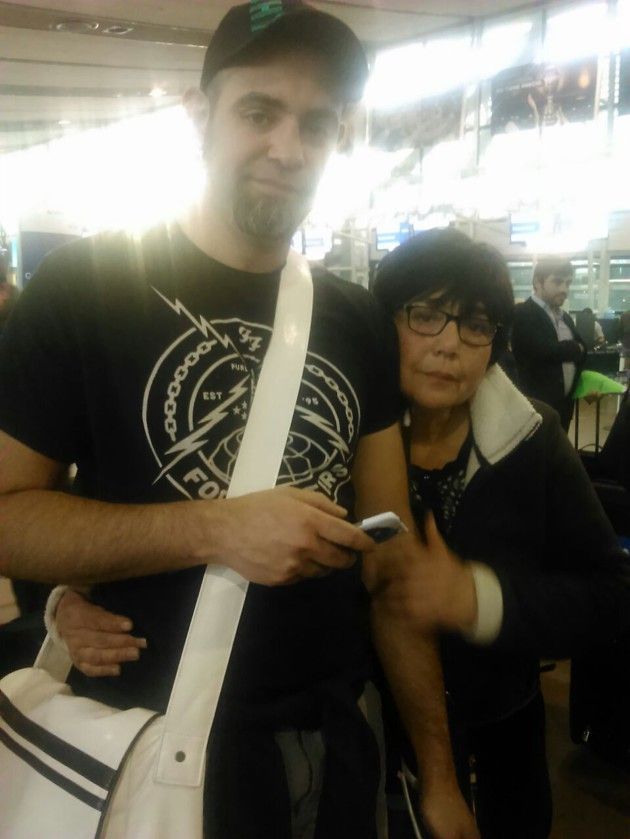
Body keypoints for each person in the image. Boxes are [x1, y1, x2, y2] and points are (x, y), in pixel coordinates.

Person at [0, 5, 477, 838]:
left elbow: (388, 567)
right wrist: (218, 529)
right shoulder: (85, 287)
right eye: (259, 112)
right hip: (137, 750)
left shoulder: (355, 318)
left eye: (316, 124)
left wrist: (437, 775)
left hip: (327, 750)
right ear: (200, 116)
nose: (288, 149)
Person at [370, 228, 630, 839]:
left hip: (503, 732)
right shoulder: (350, 439)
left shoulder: (532, 437)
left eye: (476, 324)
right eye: (425, 316)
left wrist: (477, 600)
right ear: (384, 325)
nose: (449, 345)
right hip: (376, 735)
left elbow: (612, 593)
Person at [512, 256, 586, 431]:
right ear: (538, 282)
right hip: (535, 411)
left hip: (564, 408)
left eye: (568, 283)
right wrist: (575, 348)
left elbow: (584, 348)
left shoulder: (565, 317)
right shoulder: (522, 313)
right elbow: (542, 351)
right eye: (557, 282)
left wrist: (574, 350)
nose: (564, 289)